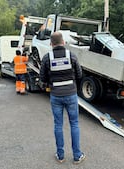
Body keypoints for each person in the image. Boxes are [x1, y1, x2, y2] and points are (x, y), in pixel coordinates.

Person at [39, 32, 85, 164]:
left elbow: (43, 78)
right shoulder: (71, 56)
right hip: (71, 94)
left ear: (51, 44)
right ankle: (77, 156)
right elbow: (79, 74)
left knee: (58, 125)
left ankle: (60, 155)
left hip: (56, 96)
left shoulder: (47, 58)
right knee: (74, 124)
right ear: (63, 42)